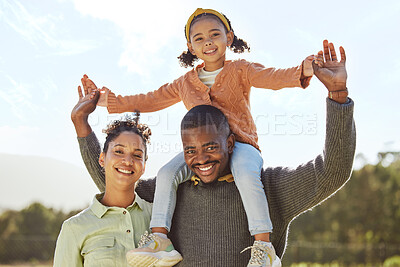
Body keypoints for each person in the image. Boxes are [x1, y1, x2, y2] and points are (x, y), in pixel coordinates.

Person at [76, 39, 356, 266]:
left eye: (211, 147)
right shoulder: (169, 191)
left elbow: (333, 172)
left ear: (230, 142)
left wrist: (338, 96)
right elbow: (113, 183)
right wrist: (84, 124)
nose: (201, 159)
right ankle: (160, 241)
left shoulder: (269, 187)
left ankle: (263, 248)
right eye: (191, 150)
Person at [53, 88, 170, 266]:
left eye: (137, 155)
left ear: (144, 166)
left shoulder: (159, 218)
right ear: (102, 158)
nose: (128, 161)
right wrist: (79, 119)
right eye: (119, 151)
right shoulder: (74, 228)